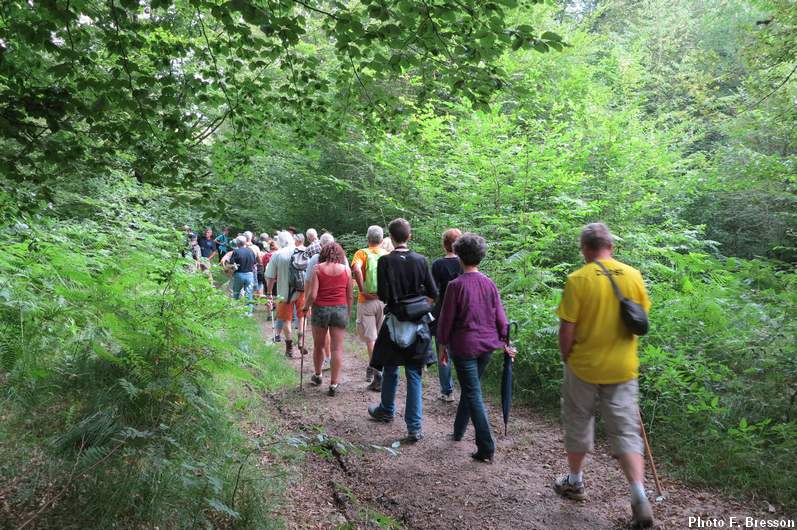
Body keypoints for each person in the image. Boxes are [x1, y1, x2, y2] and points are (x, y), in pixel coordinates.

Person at [554, 222, 653, 528]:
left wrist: (567, 357)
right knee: (626, 431)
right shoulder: (634, 276)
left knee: (578, 420)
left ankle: (575, 481)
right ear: (611, 246)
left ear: (585, 248)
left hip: (584, 366)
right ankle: (639, 496)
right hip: (623, 368)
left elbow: (567, 330)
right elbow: (641, 321)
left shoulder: (578, 279)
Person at [437, 233, 513, 463]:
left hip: (465, 348)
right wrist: (506, 342)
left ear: (458, 254)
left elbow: (446, 320)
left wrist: (441, 346)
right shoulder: (489, 283)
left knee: (472, 392)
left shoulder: (455, 286)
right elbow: (501, 317)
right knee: (472, 389)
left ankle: (486, 446)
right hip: (487, 346)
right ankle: (459, 431)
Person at [367, 218, 438, 443]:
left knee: (390, 368)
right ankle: (414, 428)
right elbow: (434, 292)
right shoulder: (421, 260)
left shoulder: (385, 261)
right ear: (409, 236)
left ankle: (386, 410)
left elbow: (382, 295)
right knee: (414, 373)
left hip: (394, 320)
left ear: (391, 236)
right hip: (417, 323)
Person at [302, 243, 353, 396]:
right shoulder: (346, 270)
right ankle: (334, 384)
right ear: (340, 254)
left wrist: (305, 307)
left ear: (323, 253)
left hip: (320, 309)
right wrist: (348, 312)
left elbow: (313, 295)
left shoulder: (318, 269)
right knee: (337, 348)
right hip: (340, 309)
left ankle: (318, 375)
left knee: (318, 346)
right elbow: (350, 295)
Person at [351, 225, 389, 390]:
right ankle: (376, 368)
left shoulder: (361, 253)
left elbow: (356, 269)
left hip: (366, 301)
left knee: (371, 339)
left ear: (368, 238)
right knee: (380, 337)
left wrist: (363, 290)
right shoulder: (387, 255)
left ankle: (377, 372)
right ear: (381, 240)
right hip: (383, 301)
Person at [431, 228, 463, 402]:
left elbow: (433, 291)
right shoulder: (465, 263)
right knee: (461, 352)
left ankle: (447, 391)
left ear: (444, 245)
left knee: (442, 352)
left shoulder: (437, 265)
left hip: (441, 314)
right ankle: (466, 387)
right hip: (461, 314)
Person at [266, 231, 306, 357]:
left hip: (284, 293)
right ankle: (300, 339)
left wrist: (269, 293)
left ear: (280, 242)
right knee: (302, 317)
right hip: (301, 290)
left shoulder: (277, 255)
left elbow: (271, 277)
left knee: (285, 320)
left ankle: (289, 349)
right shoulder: (302, 252)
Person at [224, 236, 257, 315]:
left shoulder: (236, 252)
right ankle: (249, 313)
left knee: (236, 293)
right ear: (245, 242)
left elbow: (232, 263)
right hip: (249, 275)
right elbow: (254, 262)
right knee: (249, 294)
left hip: (239, 274)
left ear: (237, 243)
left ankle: (235, 311)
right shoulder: (251, 251)